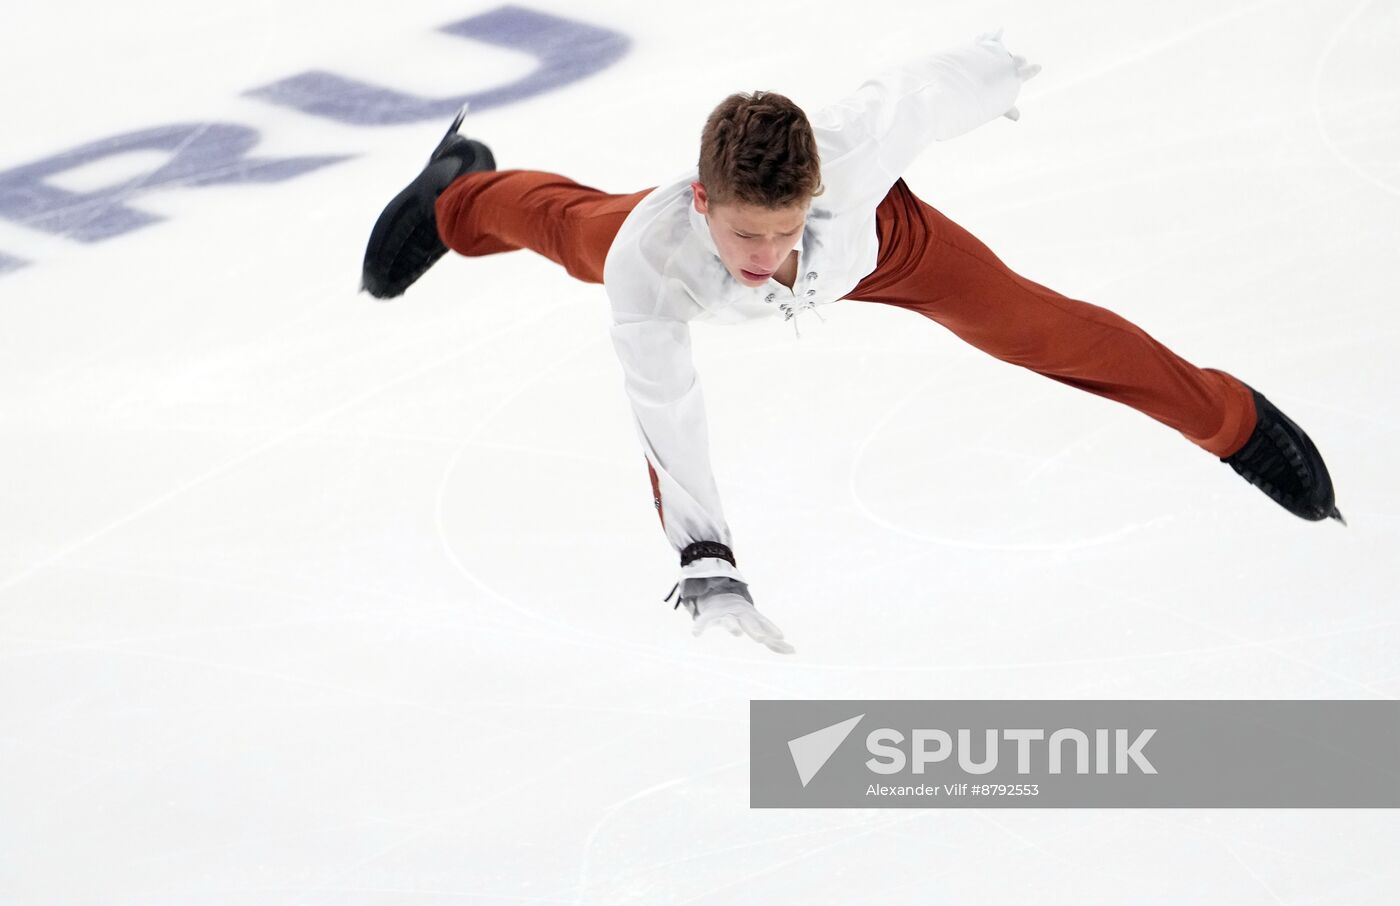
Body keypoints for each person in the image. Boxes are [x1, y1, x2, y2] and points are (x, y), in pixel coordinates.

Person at [360, 31, 1343, 655]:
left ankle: (1231, 420)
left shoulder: (852, 153)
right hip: (651, 246)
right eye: (748, 232)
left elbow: (919, 87)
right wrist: (707, 563)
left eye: (786, 227)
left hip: (888, 249)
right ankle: (455, 190)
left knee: (1035, 327)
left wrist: (996, 72)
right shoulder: (651, 256)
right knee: (572, 229)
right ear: (702, 200)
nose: (769, 253)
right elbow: (666, 410)